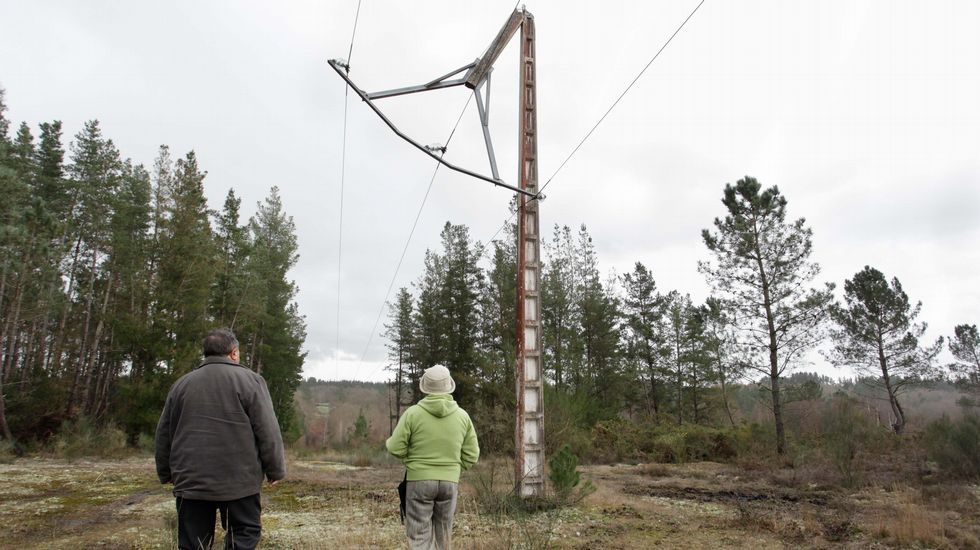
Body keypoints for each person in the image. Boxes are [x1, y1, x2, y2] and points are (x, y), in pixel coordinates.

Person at [155, 328, 285, 550]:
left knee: (193, 543)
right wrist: (275, 469)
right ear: (234, 353)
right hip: (240, 481)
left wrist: (165, 472)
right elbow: (267, 429)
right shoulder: (251, 381)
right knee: (243, 535)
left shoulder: (181, 384)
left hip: (191, 480)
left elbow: (165, 431)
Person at [386, 364, 480, 550]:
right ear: (449, 385)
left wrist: (412, 461)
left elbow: (395, 447)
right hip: (449, 482)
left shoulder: (412, 413)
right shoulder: (463, 416)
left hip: (419, 481)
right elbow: (472, 455)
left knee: (419, 536)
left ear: (425, 386)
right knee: (443, 537)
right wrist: (452, 468)